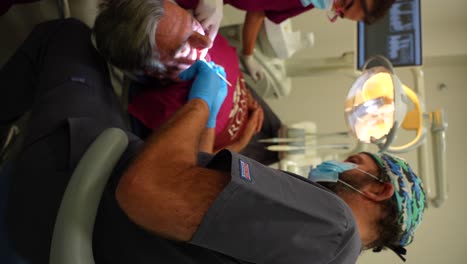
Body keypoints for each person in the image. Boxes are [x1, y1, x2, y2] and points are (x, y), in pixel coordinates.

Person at [3, 18, 426, 264]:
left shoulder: (334, 229)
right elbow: (195, 204)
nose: (341, 163)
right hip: (85, 231)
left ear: (379, 188)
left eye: (356, 160)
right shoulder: (323, 250)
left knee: (68, 36)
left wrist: (204, 100)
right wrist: (227, 146)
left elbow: (147, 190)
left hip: (70, 194)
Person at [93, 0, 281, 163]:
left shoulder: (202, 31)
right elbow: (197, 170)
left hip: (249, 108)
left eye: (192, 23)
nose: (206, 41)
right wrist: (244, 139)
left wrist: (245, 96)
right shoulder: (166, 112)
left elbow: (231, 69)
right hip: (235, 148)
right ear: (155, 71)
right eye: (183, 48)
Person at [177, 0, 396, 81]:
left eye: (340, 13)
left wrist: (249, 55)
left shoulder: (308, 3)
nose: (335, 8)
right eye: (346, 4)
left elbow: (259, 11)